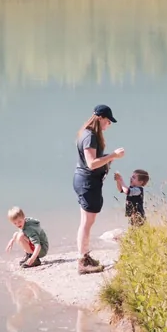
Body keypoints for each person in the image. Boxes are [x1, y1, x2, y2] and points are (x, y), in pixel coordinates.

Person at [73, 103, 125, 274]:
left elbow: (94, 159)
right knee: (86, 223)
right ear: (101, 118)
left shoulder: (87, 133)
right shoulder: (90, 136)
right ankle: (82, 261)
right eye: (108, 121)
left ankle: (85, 256)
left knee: (87, 222)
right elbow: (91, 163)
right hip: (87, 182)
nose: (108, 125)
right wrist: (113, 156)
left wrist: (107, 159)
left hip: (85, 181)